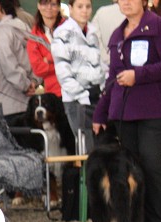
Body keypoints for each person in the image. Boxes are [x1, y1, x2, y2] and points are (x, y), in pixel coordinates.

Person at [92, 0, 161, 222]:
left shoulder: (159, 27)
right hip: (124, 114)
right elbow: (112, 78)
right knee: (130, 173)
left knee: (150, 166)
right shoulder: (117, 35)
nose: (127, 2)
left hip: (155, 111)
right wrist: (100, 113)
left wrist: (138, 75)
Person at [52, 0, 105, 151]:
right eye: (80, 7)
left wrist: (102, 88)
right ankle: (85, 175)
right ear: (70, 8)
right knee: (86, 147)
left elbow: (99, 64)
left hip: (96, 96)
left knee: (100, 147)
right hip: (76, 99)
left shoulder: (93, 31)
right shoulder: (62, 33)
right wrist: (82, 95)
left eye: (88, 7)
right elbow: (63, 73)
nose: (84, 11)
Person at [0, 0, 38, 125]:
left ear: (4, 5)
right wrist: (34, 82)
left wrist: (26, 86)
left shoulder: (0, 32)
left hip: (5, 105)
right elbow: (37, 57)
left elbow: (9, 66)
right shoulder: (22, 26)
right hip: (23, 103)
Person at [27, 0, 65, 97]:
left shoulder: (69, 28)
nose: (49, 7)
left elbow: (75, 59)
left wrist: (46, 60)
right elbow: (38, 69)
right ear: (38, 6)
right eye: (44, 3)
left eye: (53, 4)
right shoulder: (34, 35)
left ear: (58, 7)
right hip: (52, 93)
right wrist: (55, 57)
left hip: (74, 89)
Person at [92, 0, 124, 65]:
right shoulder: (137, 13)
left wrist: (107, 59)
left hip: (106, 65)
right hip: (133, 67)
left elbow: (94, 38)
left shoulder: (101, 12)